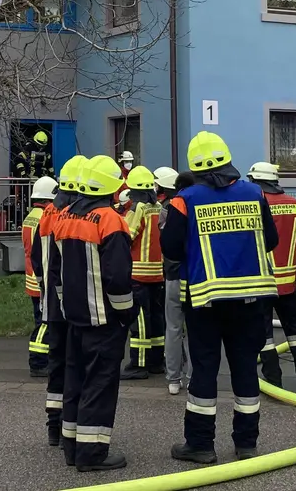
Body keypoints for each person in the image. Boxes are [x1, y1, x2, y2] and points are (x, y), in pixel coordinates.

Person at [162, 132, 280, 464]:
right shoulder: (254, 193)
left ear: (194, 167)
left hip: (205, 302)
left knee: (204, 370)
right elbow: (270, 240)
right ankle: (246, 444)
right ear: (228, 160)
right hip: (251, 300)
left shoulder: (184, 200)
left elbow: (169, 249)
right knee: (245, 368)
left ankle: (200, 445)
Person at [50, 154, 133, 473]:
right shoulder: (111, 220)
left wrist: (67, 306)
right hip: (104, 321)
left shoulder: (64, 215)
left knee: (75, 381)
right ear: (111, 187)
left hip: (74, 318)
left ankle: (71, 448)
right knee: (100, 384)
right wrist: (125, 314)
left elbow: (55, 273)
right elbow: (118, 278)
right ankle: (91, 453)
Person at [32, 154, 86, 454]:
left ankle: (54, 427)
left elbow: (40, 265)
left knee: (57, 366)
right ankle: (71, 427)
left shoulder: (48, 214)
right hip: (73, 304)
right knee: (75, 364)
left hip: (51, 303)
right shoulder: (72, 215)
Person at [248, 162, 296, 388]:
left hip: (262, 284)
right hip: (289, 285)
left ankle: (273, 378)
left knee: (264, 334)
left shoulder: (255, 204)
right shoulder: (294, 204)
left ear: (257, 181)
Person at [120, 166, 163, 380]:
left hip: (138, 273)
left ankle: (139, 364)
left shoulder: (138, 208)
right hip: (158, 272)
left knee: (140, 321)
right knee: (157, 317)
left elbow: (126, 235)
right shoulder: (159, 207)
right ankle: (157, 362)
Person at [154, 167, 192, 395]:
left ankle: (173, 379)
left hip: (173, 277)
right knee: (195, 329)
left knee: (173, 328)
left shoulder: (167, 210)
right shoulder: (198, 206)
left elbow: (166, 244)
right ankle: (193, 377)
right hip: (196, 278)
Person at [22, 175, 59, 378]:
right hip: (42, 279)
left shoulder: (31, 216)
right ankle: (37, 362)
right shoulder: (44, 218)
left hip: (33, 278)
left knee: (41, 319)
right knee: (44, 322)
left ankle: (41, 360)